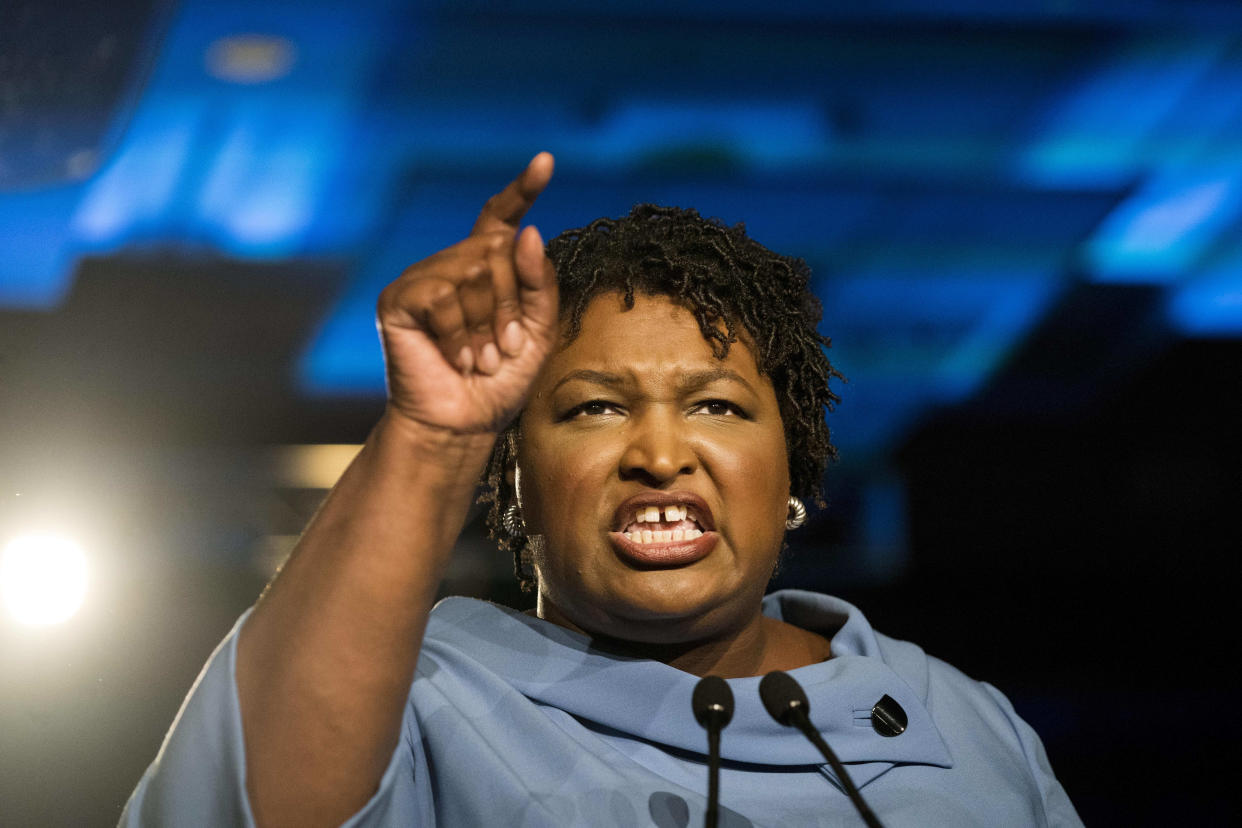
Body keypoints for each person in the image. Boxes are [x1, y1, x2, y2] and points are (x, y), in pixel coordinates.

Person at [120, 153, 1082, 827]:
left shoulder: (964, 722)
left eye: (714, 407)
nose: (660, 455)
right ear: (517, 482)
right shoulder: (419, 701)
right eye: (591, 410)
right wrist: (432, 434)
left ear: (793, 468)